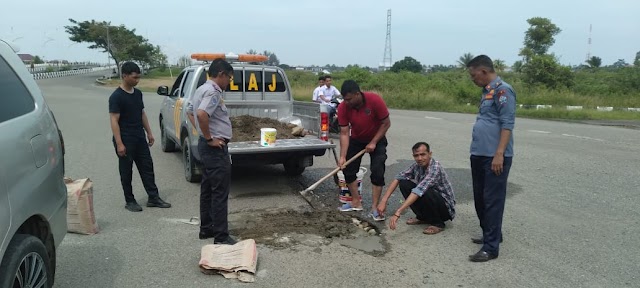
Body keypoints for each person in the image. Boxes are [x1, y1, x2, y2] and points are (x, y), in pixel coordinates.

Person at [466, 55, 516, 262]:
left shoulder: (503, 90)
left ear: (484, 71)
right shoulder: (487, 92)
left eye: (473, 75)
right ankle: (491, 233)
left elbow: (507, 123)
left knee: (492, 200)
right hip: (479, 153)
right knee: (480, 198)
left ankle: (491, 248)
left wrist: (499, 154)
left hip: (494, 156)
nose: (472, 79)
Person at [109, 61, 171, 212]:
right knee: (126, 171)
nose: (137, 80)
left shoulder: (138, 93)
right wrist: (119, 143)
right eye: (134, 77)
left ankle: (153, 197)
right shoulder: (116, 96)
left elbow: (142, 113)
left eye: (138, 78)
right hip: (125, 138)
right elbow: (114, 120)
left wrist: (149, 133)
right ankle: (129, 200)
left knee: (147, 167)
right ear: (124, 76)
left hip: (139, 137)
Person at [187, 59, 237, 245]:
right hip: (214, 149)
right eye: (229, 78)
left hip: (206, 147)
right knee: (219, 192)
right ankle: (221, 236)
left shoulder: (201, 89)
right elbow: (200, 114)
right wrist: (209, 137)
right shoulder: (213, 92)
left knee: (207, 189)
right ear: (221, 74)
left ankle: (206, 228)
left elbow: (190, 112)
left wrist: (202, 133)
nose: (229, 82)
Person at [336, 80, 391, 221]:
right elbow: (344, 132)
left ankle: (375, 208)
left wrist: (373, 142)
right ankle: (356, 202)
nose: (346, 102)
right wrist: (342, 156)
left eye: (348, 99)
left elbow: (386, 123)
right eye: (344, 99)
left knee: (378, 171)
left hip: (377, 139)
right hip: (357, 139)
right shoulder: (343, 107)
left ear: (357, 94)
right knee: (347, 169)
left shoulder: (374, 100)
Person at [377, 142, 455, 234]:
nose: (420, 158)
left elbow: (419, 191)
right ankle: (422, 217)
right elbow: (398, 177)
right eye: (416, 155)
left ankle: (438, 223)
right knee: (404, 183)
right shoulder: (417, 165)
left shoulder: (435, 168)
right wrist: (384, 201)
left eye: (423, 154)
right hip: (429, 197)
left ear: (430, 154)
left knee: (426, 190)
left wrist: (398, 212)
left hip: (445, 209)